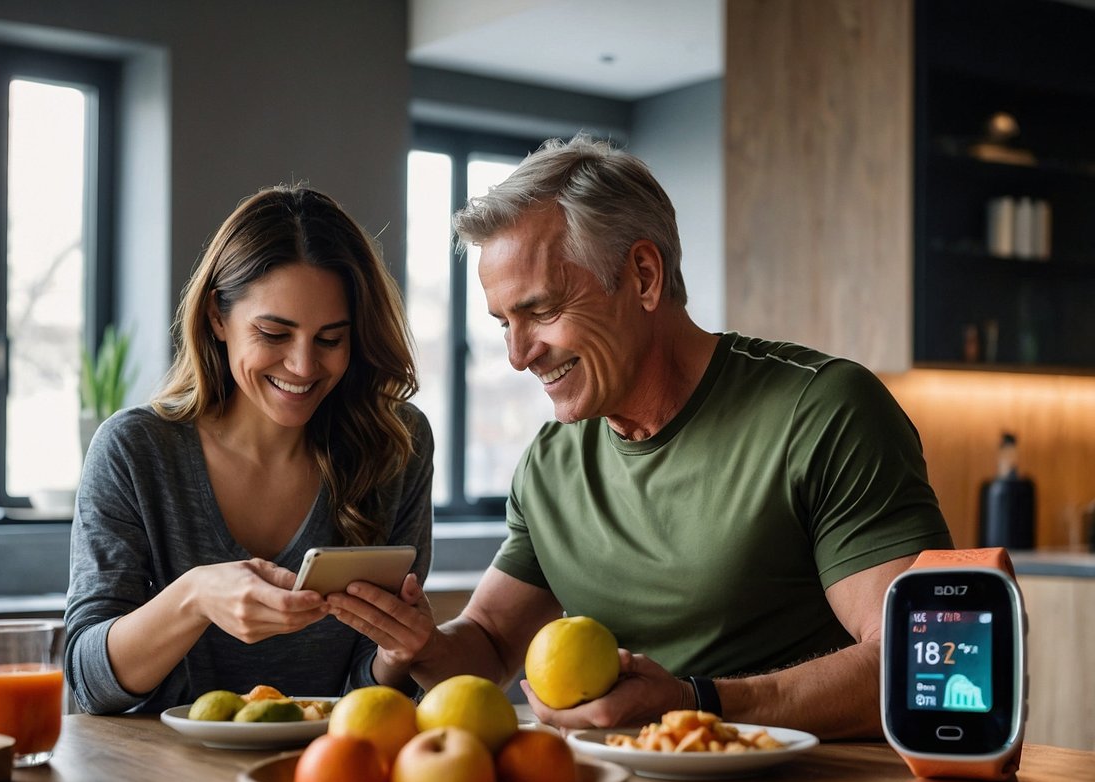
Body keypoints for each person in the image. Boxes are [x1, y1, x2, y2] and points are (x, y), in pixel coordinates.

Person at [331, 135, 952, 739]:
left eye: (542, 312)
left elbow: (922, 659)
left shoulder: (821, 410)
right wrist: (418, 642)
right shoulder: (550, 468)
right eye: (504, 324)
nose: (519, 356)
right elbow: (490, 646)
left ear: (645, 277)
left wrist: (694, 705)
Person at [64, 185, 435, 714]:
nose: (304, 366)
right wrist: (194, 598)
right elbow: (89, 682)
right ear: (218, 316)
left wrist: (399, 654)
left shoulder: (397, 445)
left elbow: (365, 695)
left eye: (330, 339)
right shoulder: (135, 452)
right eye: (274, 333)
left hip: (326, 775)